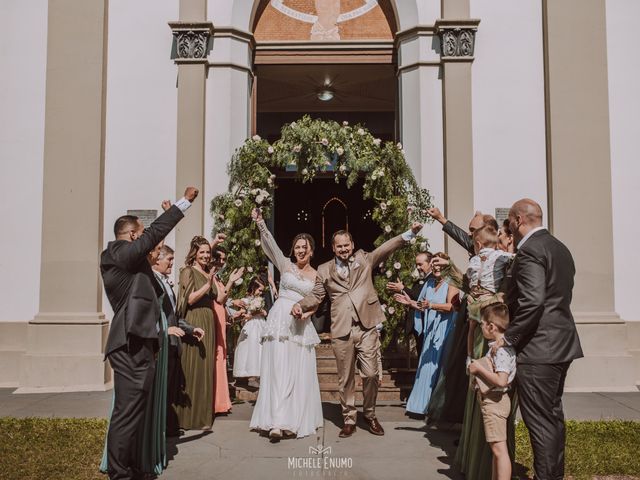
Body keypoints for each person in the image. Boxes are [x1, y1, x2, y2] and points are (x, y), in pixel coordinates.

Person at [99, 187, 197, 480]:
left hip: (141, 344)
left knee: (137, 411)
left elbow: (152, 248)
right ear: (131, 235)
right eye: (139, 234)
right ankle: (119, 473)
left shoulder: (133, 263)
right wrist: (182, 205)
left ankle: (133, 464)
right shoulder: (115, 252)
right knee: (127, 412)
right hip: (128, 344)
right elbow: (150, 238)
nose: (144, 239)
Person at [292, 221, 423, 438]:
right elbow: (316, 295)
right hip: (341, 328)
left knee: (371, 374)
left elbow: (385, 248)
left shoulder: (364, 259)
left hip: (366, 326)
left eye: (347, 245)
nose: (343, 249)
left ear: (352, 245)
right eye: (339, 246)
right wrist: (300, 305)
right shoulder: (324, 270)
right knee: (345, 378)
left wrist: (409, 233)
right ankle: (349, 418)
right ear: (333, 248)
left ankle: (370, 414)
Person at [493, 198, 583, 480]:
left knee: (540, 423)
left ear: (519, 220)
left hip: (539, 349)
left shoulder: (530, 251)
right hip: (562, 344)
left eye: (509, 222)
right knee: (553, 419)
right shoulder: (560, 247)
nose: (509, 227)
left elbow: (533, 302)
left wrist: (509, 337)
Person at [249, 208, 323, 440]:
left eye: (305, 247)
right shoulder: (285, 266)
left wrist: (307, 313)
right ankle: (276, 422)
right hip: (280, 321)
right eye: (297, 247)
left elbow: (318, 303)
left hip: (300, 324)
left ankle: (294, 418)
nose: (300, 250)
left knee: (297, 371)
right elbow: (271, 245)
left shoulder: (317, 275)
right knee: (278, 370)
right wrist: (261, 222)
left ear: (311, 250)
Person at [394, 252, 459, 416]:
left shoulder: (452, 283)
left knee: (438, 367)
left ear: (446, 266)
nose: (436, 268)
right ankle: (420, 407)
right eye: (435, 265)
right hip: (430, 330)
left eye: (440, 265)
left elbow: (451, 307)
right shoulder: (429, 283)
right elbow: (423, 305)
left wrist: (431, 305)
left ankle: (438, 408)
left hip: (444, 329)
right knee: (425, 368)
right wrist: (410, 303)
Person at [151, 244, 204, 436]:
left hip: (173, 345)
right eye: (169, 260)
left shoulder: (165, 283)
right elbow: (150, 316)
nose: (172, 264)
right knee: (159, 388)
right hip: (160, 344)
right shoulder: (152, 283)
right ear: (157, 260)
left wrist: (191, 329)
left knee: (169, 388)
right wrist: (165, 330)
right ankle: (157, 429)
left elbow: (174, 316)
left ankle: (165, 425)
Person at [469, 303, 516, 480]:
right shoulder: (498, 347)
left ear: (491, 326)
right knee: (496, 450)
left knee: (499, 450)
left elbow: (501, 380)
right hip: (492, 401)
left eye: (482, 323)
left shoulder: (501, 351)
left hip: (495, 401)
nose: (480, 326)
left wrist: (479, 369)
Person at [175, 236, 217, 430]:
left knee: (205, 369)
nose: (206, 255)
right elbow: (189, 299)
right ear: (194, 253)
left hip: (208, 320)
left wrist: (229, 281)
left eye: (208, 252)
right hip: (195, 320)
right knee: (193, 368)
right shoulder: (188, 271)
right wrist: (208, 284)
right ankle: (188, 418)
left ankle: (203, 416)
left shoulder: (207, 272)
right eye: (202, 252)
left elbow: (219, 297)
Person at [209, 246, 244, 415]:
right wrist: (231, 280)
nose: (221, 262)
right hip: (213, 320)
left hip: (221, 319)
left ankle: (221, 401)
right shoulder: (210, 277)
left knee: (221, 357)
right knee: (218, 356)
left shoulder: (217, 277)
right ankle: (217, 403)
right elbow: (220, 298)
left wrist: (230, 315)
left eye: (224, 259)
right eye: (219, 258)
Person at [387, 251, 433, 354]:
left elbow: (421, 299)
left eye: (420, 264)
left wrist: (403, 288)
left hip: (426, 324)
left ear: (430, 263)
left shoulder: (433, 280)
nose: (418, 267)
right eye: (416, 264)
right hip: (418, 325)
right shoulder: (421, 280)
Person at [232, 275, 267, 387]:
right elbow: (243, 314)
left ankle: (260, 374)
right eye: (259, 290)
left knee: (260, 347)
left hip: (260, 324)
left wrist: (261, 312)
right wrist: (250, 314)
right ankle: (249, 374)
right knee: (250, 347)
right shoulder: (245, 300)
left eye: (262, 290)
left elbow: (264, 312)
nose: (261, 293)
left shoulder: (260, 300)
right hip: (250, 326)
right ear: (253, 288)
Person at [427, 207, 499, 256]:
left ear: (488, 230)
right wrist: (440, 218)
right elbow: (461, 236)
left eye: (473, 230)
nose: (469, 234)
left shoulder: (500, 256)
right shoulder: (476, 248)